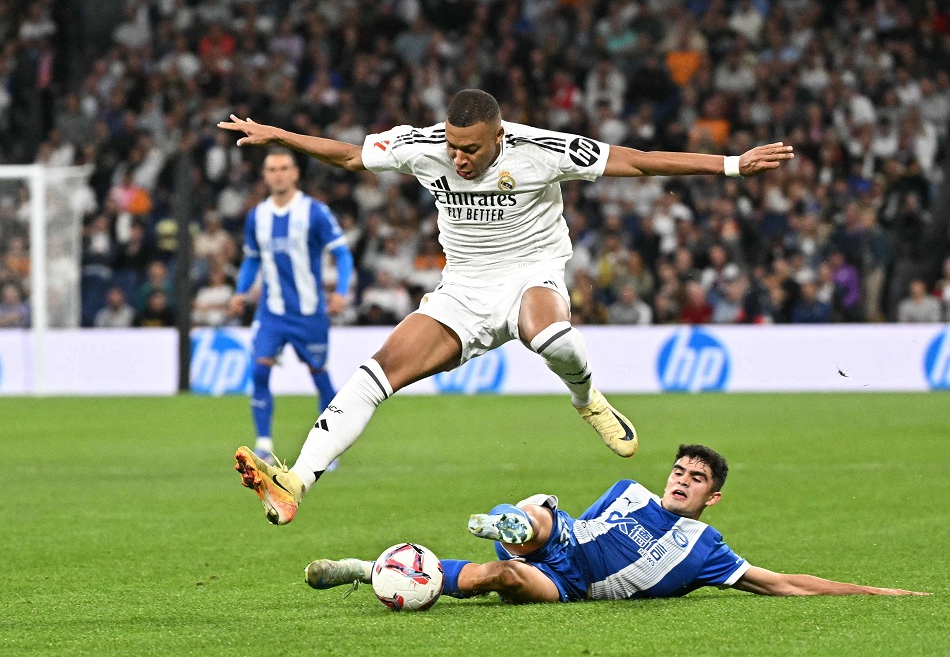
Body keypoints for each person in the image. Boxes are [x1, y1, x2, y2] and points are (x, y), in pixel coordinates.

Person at [218, 89, 794, 525]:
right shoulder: (425, 147)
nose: (459, 159)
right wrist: (279, 135)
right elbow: (347, 156)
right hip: (463, 290)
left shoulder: (543, 149)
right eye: (453, 147)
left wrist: (731, 165)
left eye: (471, 150)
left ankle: (586, 397)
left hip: (530, 274)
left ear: (499, 137)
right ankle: (295, 482)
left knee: (549, 336)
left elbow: (638, 161)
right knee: (375, 372)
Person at [305, 445, 925, 602]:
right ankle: (508, 521)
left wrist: (875, 592)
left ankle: (372, 570)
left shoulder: (705, 549)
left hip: (574, 587)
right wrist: (543, 527)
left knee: (507, 580)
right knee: (542, 514)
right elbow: (585, 526)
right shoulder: (629, 491)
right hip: (566, 537)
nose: (681, 479)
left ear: (713, 499)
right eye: (679, 471)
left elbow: (783, 583)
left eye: (696, 479)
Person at [229, 149, 354, 465]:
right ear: (265, 175)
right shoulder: (256, 216)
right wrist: (241, 291)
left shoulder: (315, 212)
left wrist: (340, 291)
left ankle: (329, 446)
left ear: (295, 173)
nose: (278, 174)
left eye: (284, 168)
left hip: (309, 313)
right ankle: (263, 445)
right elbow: (252, 259)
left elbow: (342, 254)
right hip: (271, 312)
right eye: (272, 169)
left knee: (320, 376)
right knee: (258, 371)